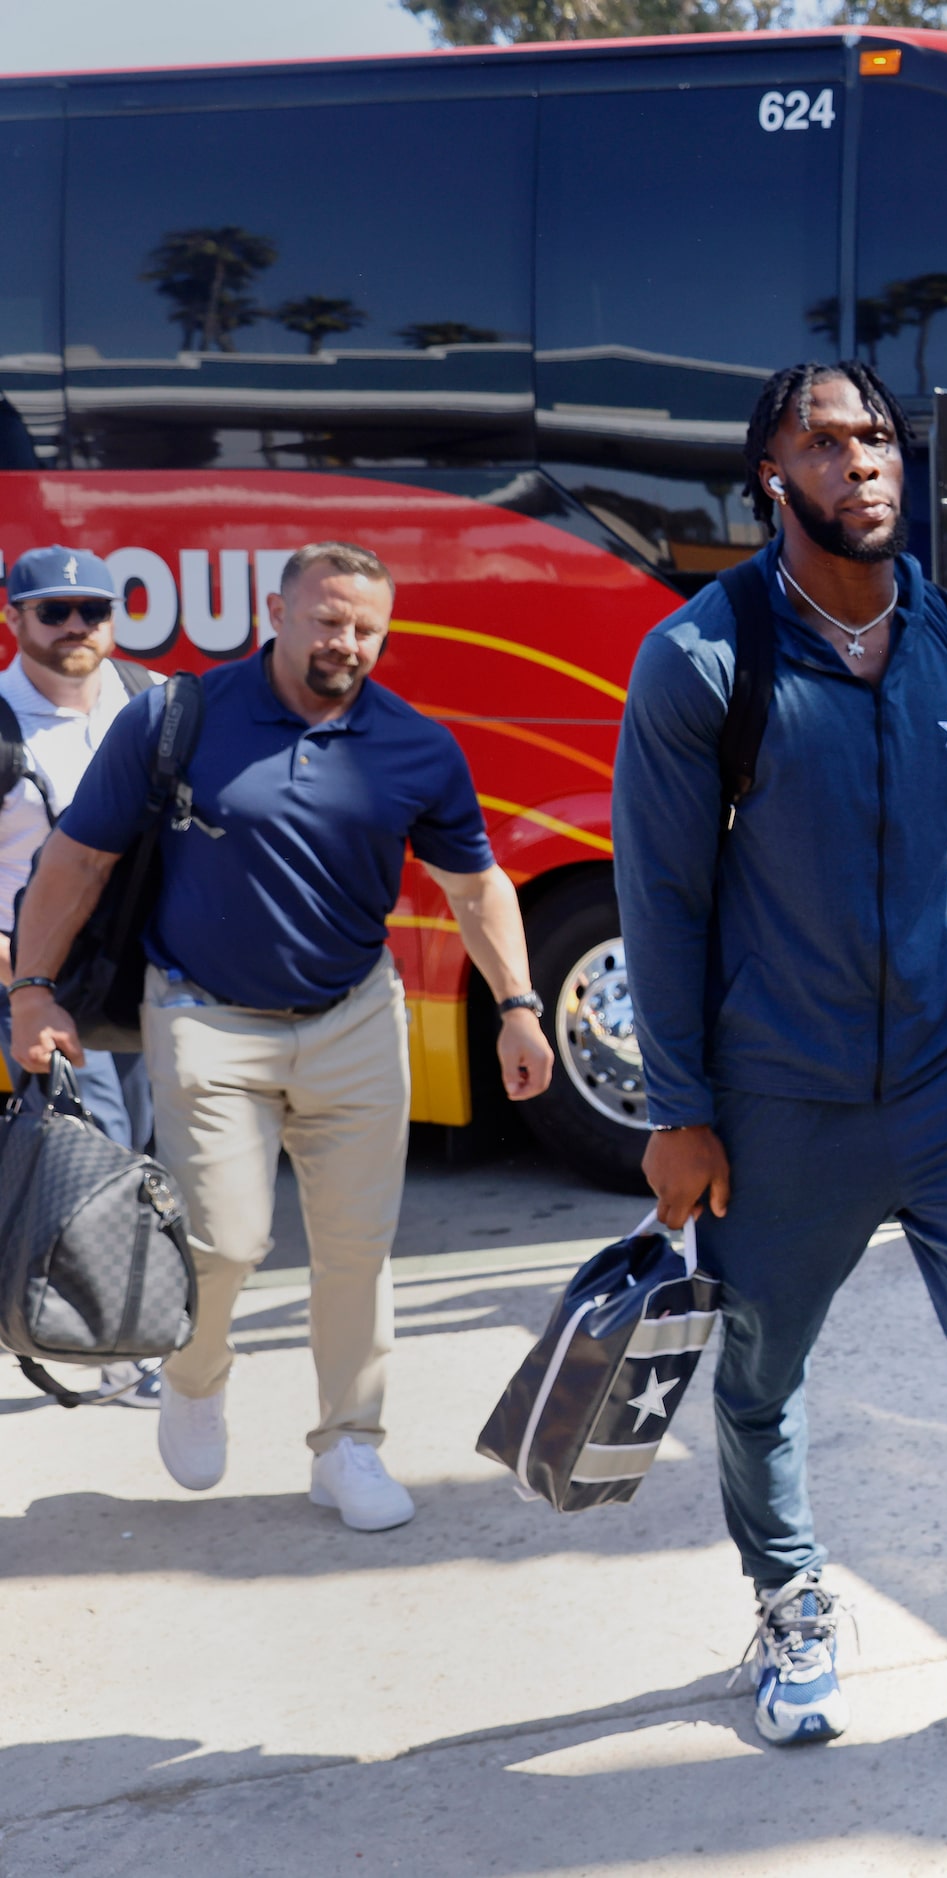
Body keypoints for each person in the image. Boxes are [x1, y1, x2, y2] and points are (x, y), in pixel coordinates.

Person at [613, 360, 947, 1753]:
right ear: (769, 478)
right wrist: (680, 1108)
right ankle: (787, 1597)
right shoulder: (700, 663)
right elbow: (659, 898)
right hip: (780, 1096)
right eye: (827, 442)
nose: (866, 463)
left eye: (881, 437)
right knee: (760, 1374)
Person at [7, 541, 556, 1527]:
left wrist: (517, 1004)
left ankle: (348, 1445)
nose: (344, 642)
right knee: (225, 1240)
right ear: (278, 611)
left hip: (354, 1019)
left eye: (365, 628)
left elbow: (476, 888)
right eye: (326, 619)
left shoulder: (415, 745)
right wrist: (34, 991)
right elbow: (79, 861)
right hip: (204, 1019)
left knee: (357, 1250)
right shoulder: (180, 717)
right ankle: (198, 1374)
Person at [0, 548, 158, 1150]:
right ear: (14, 620)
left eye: (91, 611)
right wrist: (30, 981)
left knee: (146, 1143)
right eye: (54, 611)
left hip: (137, 968)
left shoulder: (158, 702)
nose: (75, 626)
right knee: (99, 1145)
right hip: (37, 975)